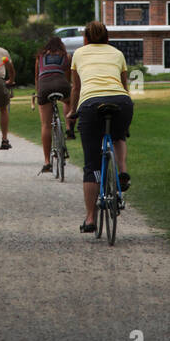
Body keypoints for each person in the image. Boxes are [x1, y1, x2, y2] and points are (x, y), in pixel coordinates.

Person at [69, 19, 133, 234]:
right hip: (121, 102)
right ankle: (122, 171)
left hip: (90, 104)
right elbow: (124, 85)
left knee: (92, 165)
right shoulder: (117, 53)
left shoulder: (79, 54)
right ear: (107, 37)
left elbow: (76, 88)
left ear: (85, 38)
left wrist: (71, 113)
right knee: (119, 135)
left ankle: (90, 219)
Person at [34, 35, 74, 173]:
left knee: (46, 125)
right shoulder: (66, 56)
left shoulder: (40, 57)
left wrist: (38, 93)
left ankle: (46, 161)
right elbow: (68, 78)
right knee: (68, 100)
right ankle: (69, 126)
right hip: (62, 85)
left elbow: (37, 77)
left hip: (44, 87)